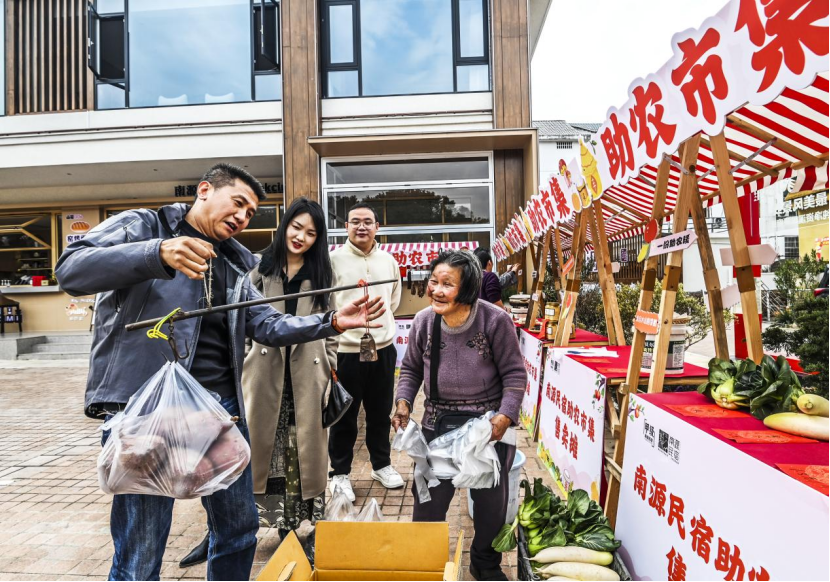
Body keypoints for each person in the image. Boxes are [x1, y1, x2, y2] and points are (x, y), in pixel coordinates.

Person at [55, 164, 385, 582]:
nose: (243, 217)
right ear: (205, 190)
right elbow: (71, 269)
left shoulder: (236, 261)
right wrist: (157, 253)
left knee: (239, 527)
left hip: (221, 411)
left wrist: (332, 321)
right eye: (238, 203)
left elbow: (267, 324)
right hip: (149, 410)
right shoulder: (145, 225)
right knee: (142, 545)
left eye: (250, 212)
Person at [180, 197, 336, 567]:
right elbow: (238, 324)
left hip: (306, 379)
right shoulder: (254, 269)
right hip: (262, 378)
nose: (301, 237)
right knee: (244, 458)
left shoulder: (323, 276)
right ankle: (218, 532)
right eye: (296, 227)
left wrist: (328, 366)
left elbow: (331, 329)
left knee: (298, 457)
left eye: (311, 233)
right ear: (284, 226)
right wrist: (246, 360)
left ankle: (292, 529)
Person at [393, 250, 526, 582]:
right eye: (433, 282)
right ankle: (428, 564)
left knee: (491, 506)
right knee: (428, 503)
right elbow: (410, 369)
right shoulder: (424, 321)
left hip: (488, 427)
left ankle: (484, 563)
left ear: (467, 289)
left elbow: (514, 375)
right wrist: (403, 402)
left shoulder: (495, 321)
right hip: (438, 424)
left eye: (447, 284)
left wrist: (505, 417)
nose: (436, 290)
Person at [328, 202, 403, 501]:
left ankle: (381, 465)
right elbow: (326, 305)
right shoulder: (332, 261)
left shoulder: (389, 261)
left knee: (380, 411)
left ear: (377, 227)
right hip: (345, 351)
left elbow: (393, 300)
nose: (362, 226)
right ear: (346, 227)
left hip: (382, 349)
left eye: (368, 221)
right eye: (355, 221)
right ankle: (340, 473)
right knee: (344, 414)